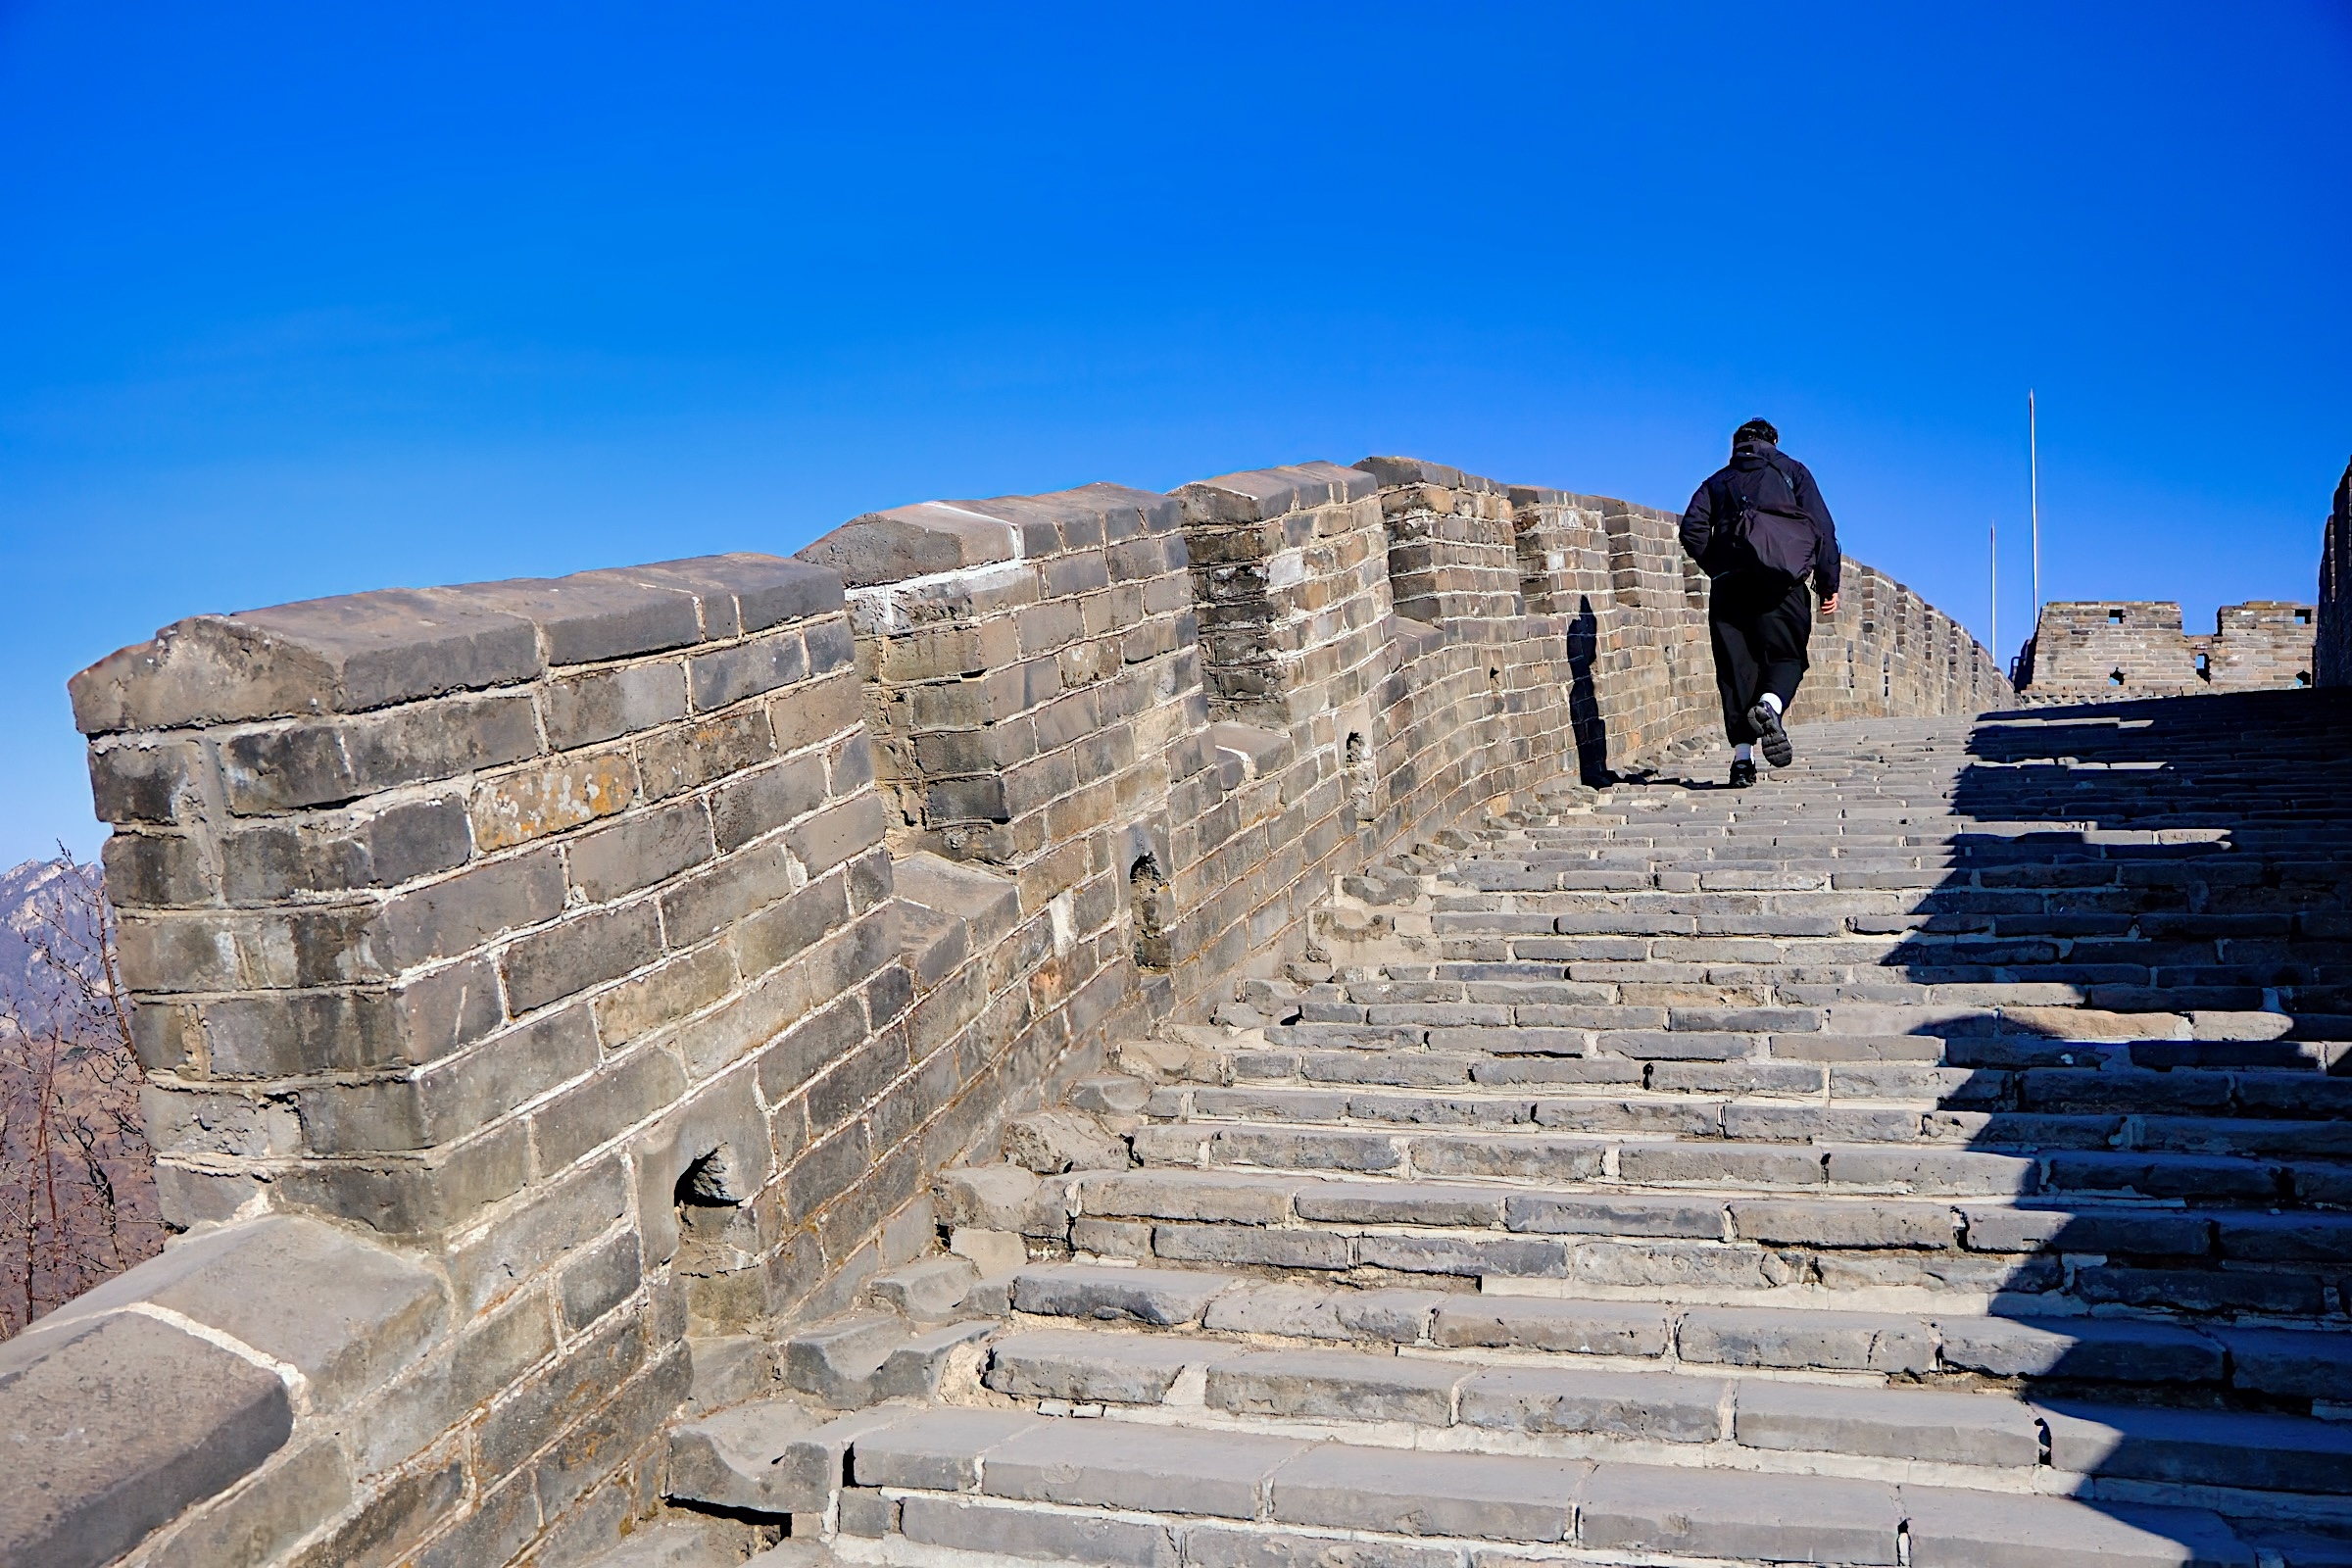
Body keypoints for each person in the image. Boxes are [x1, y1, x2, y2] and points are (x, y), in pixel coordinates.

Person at [1679, 418, 1841, 787]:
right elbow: (1823, 530)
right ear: (1773, 442)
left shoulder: (1716, 483)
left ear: (1735, 445)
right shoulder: (1792, 472)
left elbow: (1691, 530)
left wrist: (1720, 568)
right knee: (1787, 658)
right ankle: (1770, 705)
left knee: (1737, 674)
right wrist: (1828, 583)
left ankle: (1741, 762)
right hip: (1782, 587)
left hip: (1729, 590)